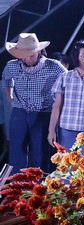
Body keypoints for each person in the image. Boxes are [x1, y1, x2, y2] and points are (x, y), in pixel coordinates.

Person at [2, 33, 67, 171]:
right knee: (17, 151)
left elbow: (68, 80)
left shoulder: (53, 66)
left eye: (31, 55)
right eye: (23, 55)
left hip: (43, 113)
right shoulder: (12, 65)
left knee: (40, 152)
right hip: (19, 113)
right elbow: (6, 78)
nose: (27, 59)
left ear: (39, 51)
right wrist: (9, 96)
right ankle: (16, 182)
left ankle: (39, 183)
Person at [47, 40, 84, 151]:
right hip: (66, 130)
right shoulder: (64, 77)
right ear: (76, 56)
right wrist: (51, 131)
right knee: (67, 161)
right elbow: (57, 106)